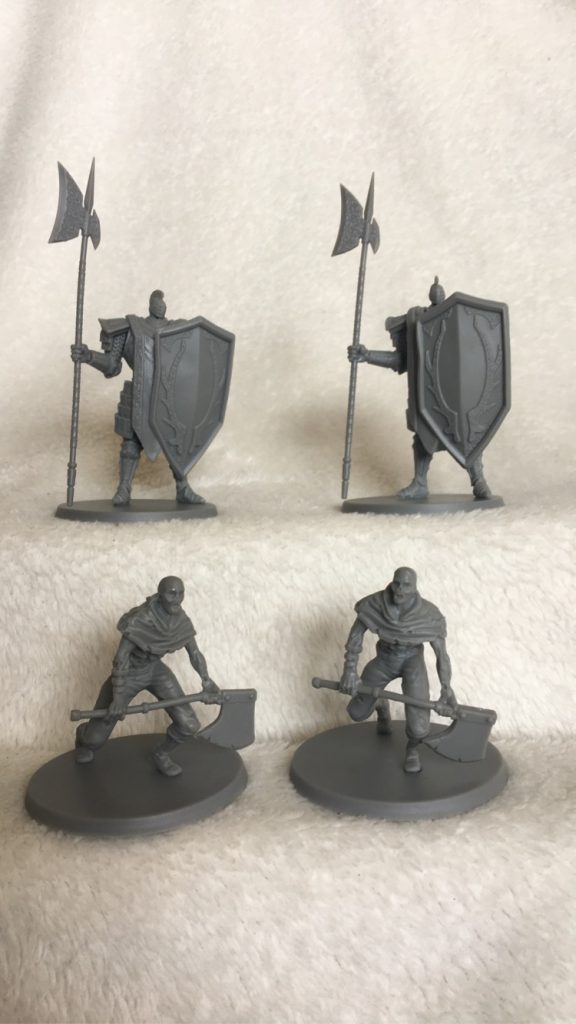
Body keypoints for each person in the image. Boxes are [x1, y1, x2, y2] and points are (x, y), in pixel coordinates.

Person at [348, 278, 492, 500]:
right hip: (428, 399)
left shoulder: (463, 320)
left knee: (470, 436)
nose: (438, 295)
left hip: (461, 400)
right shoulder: (416, 321)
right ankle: (420, 483)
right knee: (424, 438)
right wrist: (367, 356)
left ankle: (479, 481)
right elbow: (401, 360)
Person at [75, 576, 220, 776]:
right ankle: (83, 736)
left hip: (155, 671)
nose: (177, 599)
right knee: (94, 739)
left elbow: (194, 653)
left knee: (189, 725)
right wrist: (118, 698)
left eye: (181, 593)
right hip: (129, 673)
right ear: (160, 595)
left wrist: (206, 680)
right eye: (171, 593)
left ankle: (161, 754)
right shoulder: (141, 619)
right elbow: (121, 659)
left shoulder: (180, 619)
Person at [71, 290, 205, 506]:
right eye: (157, 302)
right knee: (131, 444)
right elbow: (112, 366)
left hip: (168, 396)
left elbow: (193, 363)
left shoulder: (179, 330)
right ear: (150, 305)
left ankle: (183, 488)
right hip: (138, 394)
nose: (161, 306)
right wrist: (89, 356)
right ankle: (124, 489)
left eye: (163, 302)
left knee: (176, 444)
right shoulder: (128, 329)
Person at [339, 567, 455, 773]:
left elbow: (441, 655)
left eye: (406, 585)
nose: (400, 590)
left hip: (412, 662)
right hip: (385, 659)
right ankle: (381, 705)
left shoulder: (429, 615)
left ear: (415, 587)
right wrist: (349, 671)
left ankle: (413, 749)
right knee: (356, 713)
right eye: (397, 583)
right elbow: (355, 637)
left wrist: (446, 688)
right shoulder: (375, 604)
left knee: (419, 726)